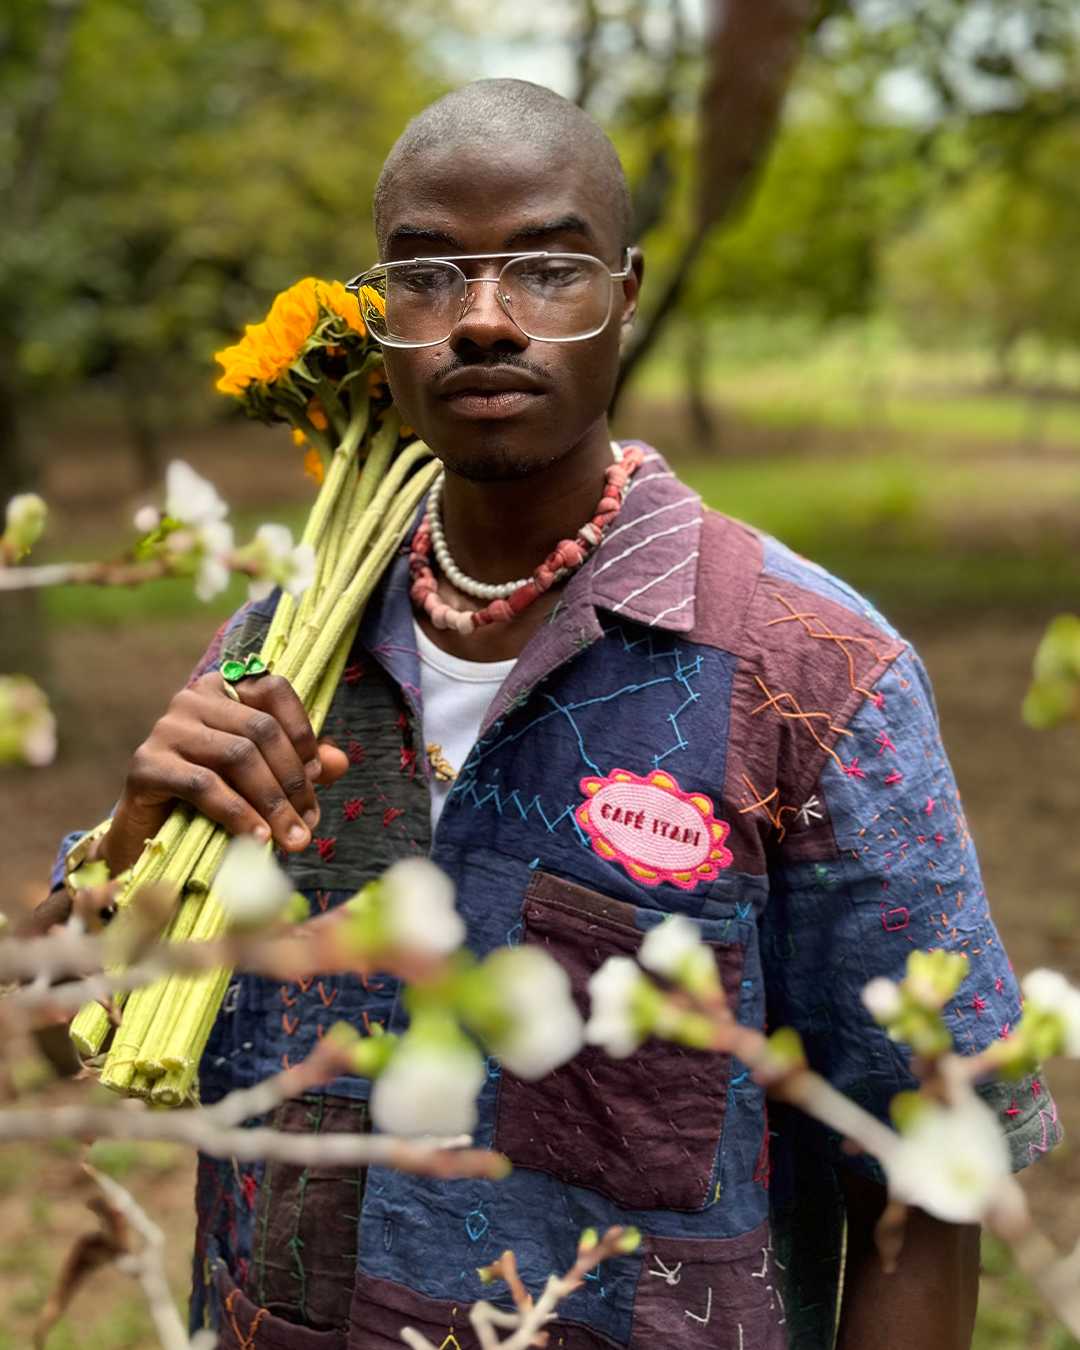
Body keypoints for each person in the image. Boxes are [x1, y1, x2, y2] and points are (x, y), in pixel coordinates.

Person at [44, 80, 1054, 1350]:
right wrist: (130, 842)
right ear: (382, 315)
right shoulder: (277, 648)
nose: (480, 319)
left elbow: (934, 1161)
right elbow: (68, 1040)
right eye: (426, 275)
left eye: (545, 268)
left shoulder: (812, 672)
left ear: (625, 295)